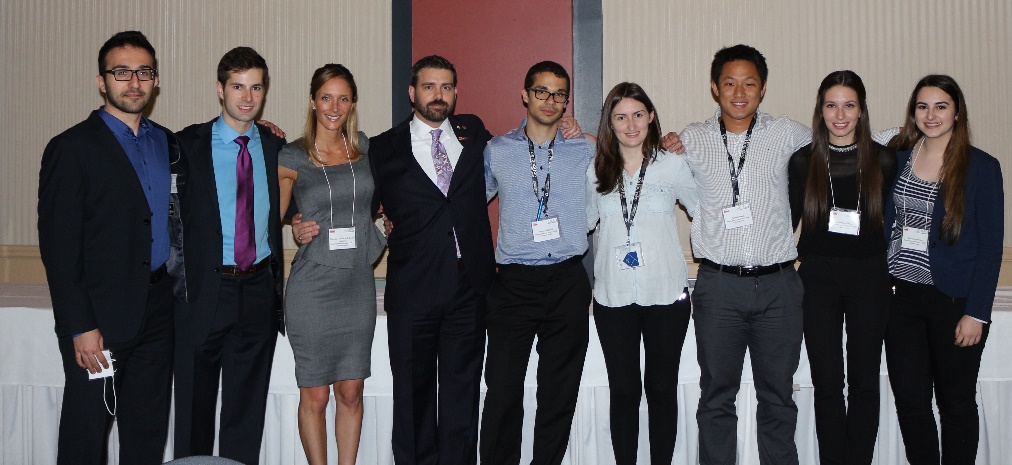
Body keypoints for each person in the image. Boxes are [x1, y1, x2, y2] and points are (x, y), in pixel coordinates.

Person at [38, 30, 184, 465]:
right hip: (99, 320)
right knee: (88, 431)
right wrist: (80, 326)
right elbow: (59, 250)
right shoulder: (71, 148)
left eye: (143, 72)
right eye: (122, 72)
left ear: (155, 81)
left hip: (158, 313)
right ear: (102, 81)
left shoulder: (166, 142)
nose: (133, 82)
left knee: (146, 431)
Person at [678, 44, 811, 465]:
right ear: (714, 88)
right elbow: (632, 152)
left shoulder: (787, 133)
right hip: (718, 287)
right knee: (717, 396)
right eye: (730, 82)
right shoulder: (691, 139)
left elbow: (842, 140)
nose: (740, 92)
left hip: (779, 287)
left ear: (763, 88)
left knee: (778, 396)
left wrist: (906, 139)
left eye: (749, 83)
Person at [364, 55, 495, 465]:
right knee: (412, 397)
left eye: (446, 87)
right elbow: (356, 201)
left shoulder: (473, 132)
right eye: (428, 86)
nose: (438, 95)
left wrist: (572, 131)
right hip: (413, 289)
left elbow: (524, 147)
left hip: (467, 288)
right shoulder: (383, 147)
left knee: (462, 395)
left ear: (455, 93)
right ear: (411, 93)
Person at [172, 46, 287, 465]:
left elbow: (294, 204)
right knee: (193, 411)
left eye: (256, 87)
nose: (247, 96)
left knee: (245, 413)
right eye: (238, 86)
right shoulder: (185, 145)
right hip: (204, 291)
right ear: (220, 89)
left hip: (258, 290)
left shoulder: (277, 148)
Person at [480, 61, 596, 465]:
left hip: (567, 280)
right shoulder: (497, 150)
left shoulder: (585, 148)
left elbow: (631, 149)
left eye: (559, 94)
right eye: (542, 92)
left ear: (567, 102)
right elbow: (464, 203)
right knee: (502, 390)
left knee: (559, 392)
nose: (551, 101)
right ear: (525, 95)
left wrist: (669, 141)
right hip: (514, 285)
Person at [883, 75, 1003, 465]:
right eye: (922, 106)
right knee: (911, 402)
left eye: (940, 106)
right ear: (913, 112)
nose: (930, 115)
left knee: (956, 403)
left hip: (955, 302)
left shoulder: (982, 167)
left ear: (956, 112)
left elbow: (989, 247)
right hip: (901, 300)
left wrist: (977, 312)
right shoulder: (897, 157)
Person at [278, 64, 385, 465]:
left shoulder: (366, 148)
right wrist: (295, 225)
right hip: (312, 287)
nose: (334, 106)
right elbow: (270, 213)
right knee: (316, 394)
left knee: (351, 391)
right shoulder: (292, 154)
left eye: (343, 98)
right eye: (326, 97)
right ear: (312, 101)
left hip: (357, 283)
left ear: (352, 102)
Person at [787, 70, 896, 465]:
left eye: (849, 105)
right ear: (820, 110)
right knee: (828, 383)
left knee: (865, 383)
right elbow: (786, 222)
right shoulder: (803, 161)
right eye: (831, 105)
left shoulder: (883, 159)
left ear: (862, 109)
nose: (840, 114)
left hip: (870, 276)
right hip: (817, 278)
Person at [586, 82, 698, 465]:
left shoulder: (673, 164)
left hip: (666, 295)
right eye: (620, 117)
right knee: (624, 391)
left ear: (651, 117)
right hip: (613, 297)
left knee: (662, 389)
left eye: (638, 114)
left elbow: (703, 211)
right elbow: (583, 221)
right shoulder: (595, 169)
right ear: (610, 124)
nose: (630, 125)